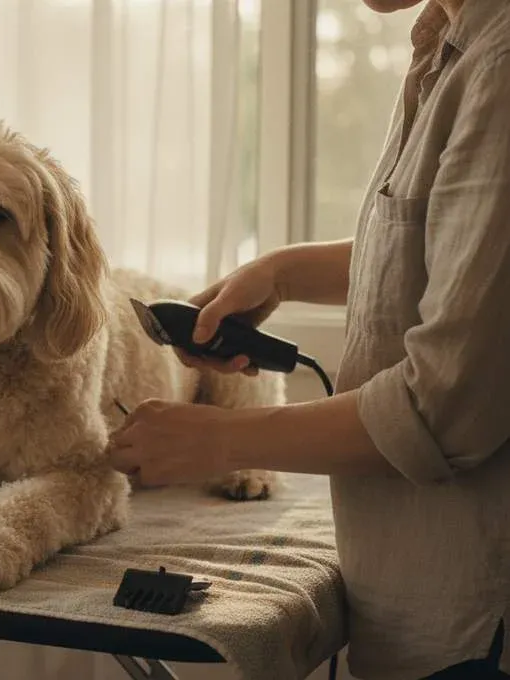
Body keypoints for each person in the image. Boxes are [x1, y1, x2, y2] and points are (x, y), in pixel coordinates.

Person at [108, 0, 510, 678]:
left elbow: (444, 409)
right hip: (410, 598)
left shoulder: (500, 68)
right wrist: (285, 273)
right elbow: (460, 249)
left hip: (475, 629)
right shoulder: (447, 42)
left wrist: (218, 440)